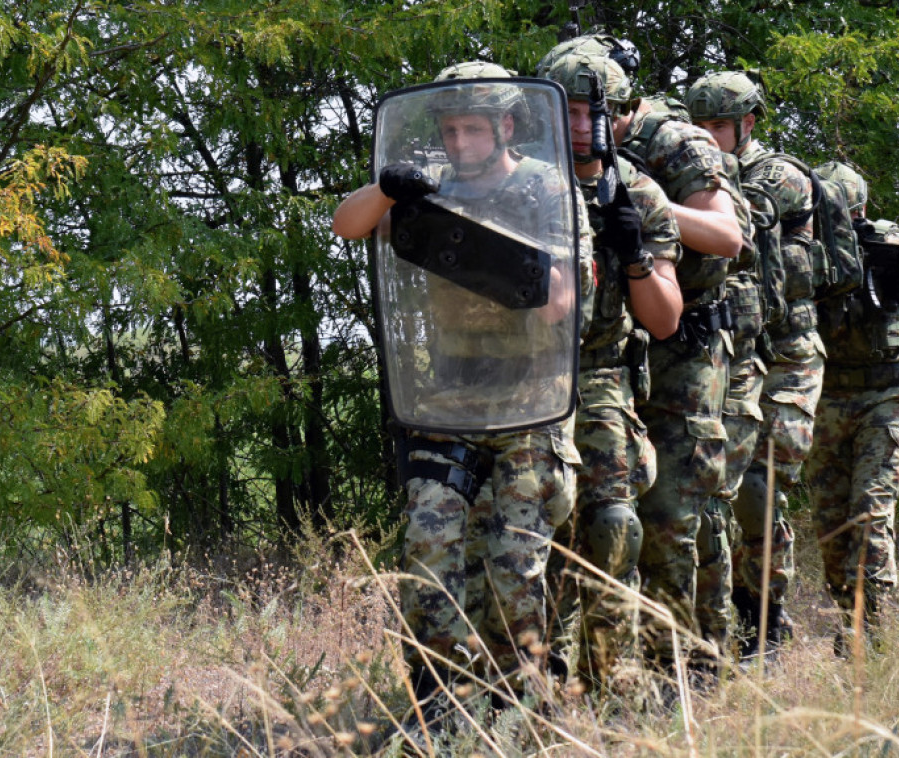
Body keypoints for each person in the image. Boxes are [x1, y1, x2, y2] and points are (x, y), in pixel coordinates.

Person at [332, 61, 588, 726]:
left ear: (506, 125)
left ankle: (518, 712)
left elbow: (562, 303)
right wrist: (390, 190)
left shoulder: (547, 190)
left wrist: (492, 254)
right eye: (449, 129)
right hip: (447, 404)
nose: (459, 141)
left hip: (530, 405)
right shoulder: (427, 188)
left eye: (474, 127)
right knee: (428, 553)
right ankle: (441, 709)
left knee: (513, 571)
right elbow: (347, 224)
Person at [540, 51, 683, 690]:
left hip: (599, 376)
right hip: (530, 376)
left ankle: (613, 680)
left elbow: (664, 320)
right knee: (535, 527)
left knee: (614, 528)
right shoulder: (523, 184)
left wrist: (633, 257)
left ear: (617, 117)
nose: (577, 125)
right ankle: (538, 678)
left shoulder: (638, 193)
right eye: (563, 110)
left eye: (589, 111)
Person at [687, 70, 823, 661]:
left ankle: (765, 620)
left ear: (747, 123)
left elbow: (742, 222)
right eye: (699, 126)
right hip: (730, 351)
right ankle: (723, 621)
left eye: (717, 126)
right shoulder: (696, 167)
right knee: (715, 483)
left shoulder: (780, 175)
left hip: (788, 355)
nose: (707, 137)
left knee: (761, 489)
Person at [803, 161, 899, 656]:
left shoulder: (887, 243)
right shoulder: (804, 247)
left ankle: (870, 631)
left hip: (886, 395)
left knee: (872, 509)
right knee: (831, 518)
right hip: (826, 395)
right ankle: (846, 621)